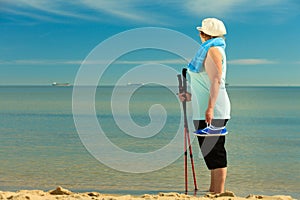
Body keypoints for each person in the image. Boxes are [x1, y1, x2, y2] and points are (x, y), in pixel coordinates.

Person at [179, 18, 231, 194]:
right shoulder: (209, 51)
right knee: (209, 152)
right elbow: (204, 83)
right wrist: (188, 95)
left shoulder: (213, 50)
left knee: (215, 151)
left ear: (203, 34)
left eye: (200, 32)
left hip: (213, 110)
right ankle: (213, 190)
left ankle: (218, 192)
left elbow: (216, 80)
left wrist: (210, 108)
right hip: (205, 109)